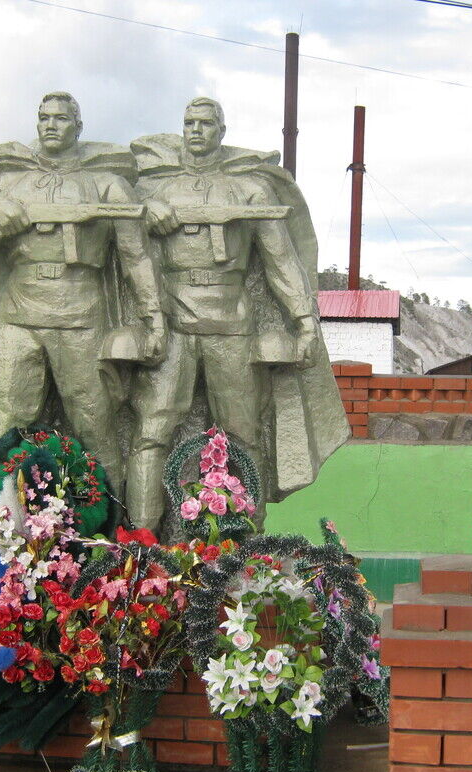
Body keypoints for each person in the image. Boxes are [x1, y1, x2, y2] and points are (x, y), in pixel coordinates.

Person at [125, 97, 349, 531]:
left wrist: (304, 322)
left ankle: (246, 543)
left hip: (232, 326)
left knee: (243, 435)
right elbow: (123, 243)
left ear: (221, 131)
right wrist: (142, 211)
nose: (195, 131)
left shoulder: (251, 190)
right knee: (151, 432)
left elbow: (282, 261)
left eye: (205, 124)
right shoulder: (156, 190)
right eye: (188, 122)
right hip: (173, 325)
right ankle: (141, 546)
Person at [0, 91, 165, 488]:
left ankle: (110, 527)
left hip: (80, 315)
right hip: (19, 315)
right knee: (4, 418)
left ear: (78, 126)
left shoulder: (107, 186)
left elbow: (136, 257)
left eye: (60, 118)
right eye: (44, 118)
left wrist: (154, 318)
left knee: (94, 423)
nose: (50, 125)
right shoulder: (10, 181)